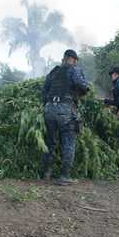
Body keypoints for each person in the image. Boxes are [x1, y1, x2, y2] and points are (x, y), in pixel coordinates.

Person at [41, 49, 89, 185]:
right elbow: (83, 86)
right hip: (65, 109)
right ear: (73, 60)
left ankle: (46, 172)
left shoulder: (54, 71)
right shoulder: (74, 70)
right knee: (69, 141)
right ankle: (64, 176)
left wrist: (48, 104)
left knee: (50, 141)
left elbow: (44, 91)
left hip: (49, 108)